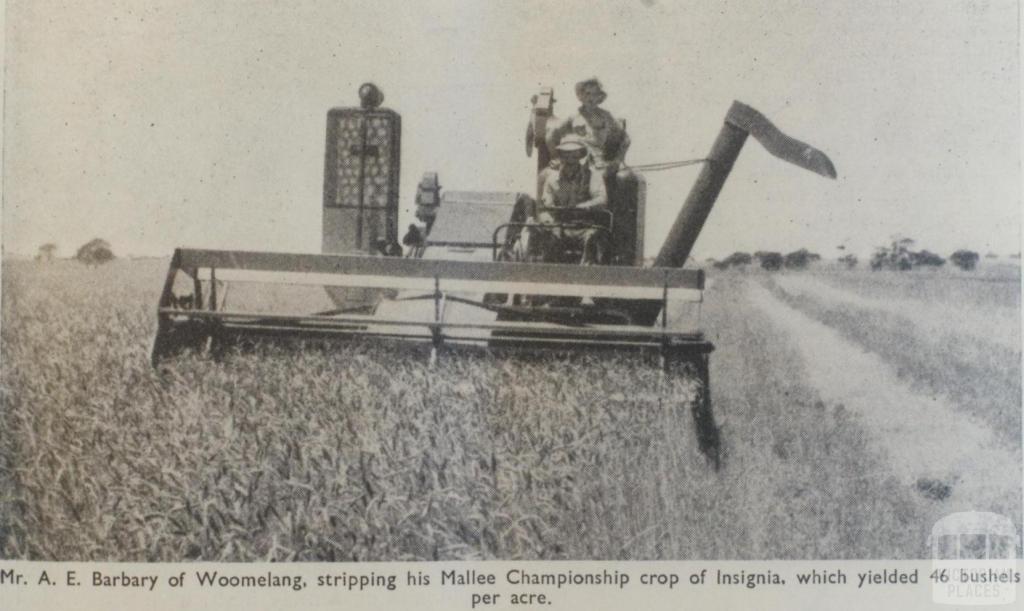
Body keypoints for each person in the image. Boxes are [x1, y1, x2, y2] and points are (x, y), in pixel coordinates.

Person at [530, 135, 609, 265]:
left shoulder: (592, 176)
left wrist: (583, 206)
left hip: (585, 226)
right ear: (560, 154)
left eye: (574, 153)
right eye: (566, 153)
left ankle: (588, 275)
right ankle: (549, 274)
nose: (570, 157)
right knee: (547, 239)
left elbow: (601, 199)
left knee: (592, 239)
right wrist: (549, 222)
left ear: (580, 154)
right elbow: (546, 207)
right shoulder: (552, 179)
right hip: (559, 225)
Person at [546, 78, 631, 175]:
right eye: (587, 94)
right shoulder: (574, 117)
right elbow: (551, 134)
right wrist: (556, 157)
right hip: (578, 161)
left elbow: (625, 139)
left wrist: (619, 160)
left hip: (600, 161)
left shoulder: (606, 116)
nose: (591, 98)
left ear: (599, 97)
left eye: (595, 94)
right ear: (581, 96)